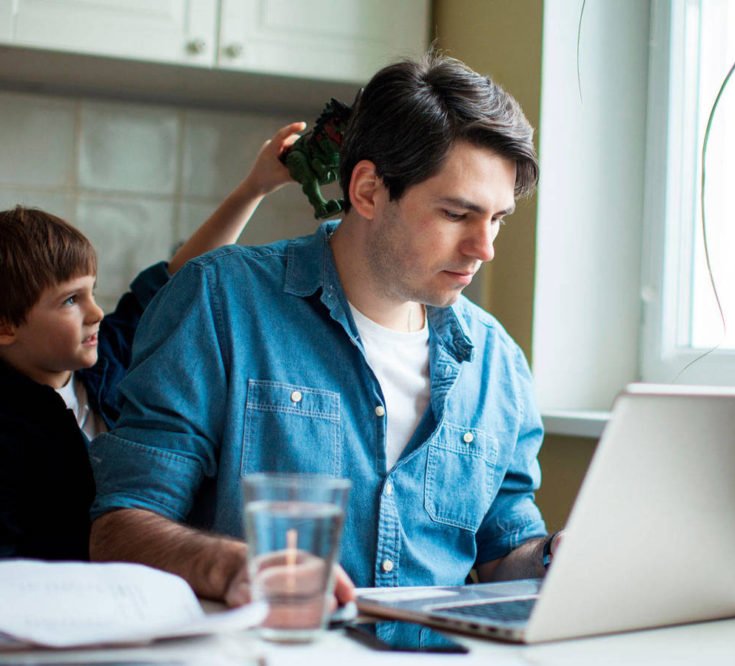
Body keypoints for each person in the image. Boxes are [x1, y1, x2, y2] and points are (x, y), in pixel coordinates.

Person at [89, 54, 560, 607]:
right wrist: (226, 565)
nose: (485, 249)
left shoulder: (497, 361)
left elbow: (506, 554)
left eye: (497, 218)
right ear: (366, 191)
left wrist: (556, 558)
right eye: (457, 214)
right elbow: (117, 527)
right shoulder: (220, 301)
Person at [0, 121, 307, 560]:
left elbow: (176, 280)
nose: (95, 312)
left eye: (91, 290)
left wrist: (253, 189)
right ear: (6, 326)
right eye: (70, 300)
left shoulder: (108, 357)